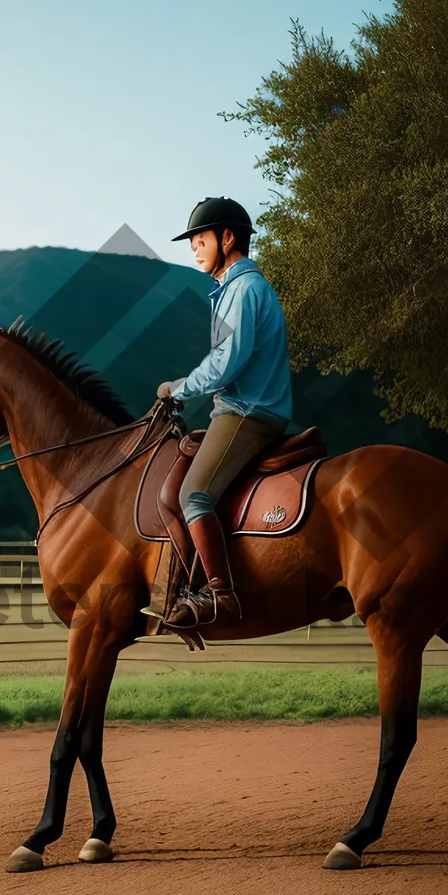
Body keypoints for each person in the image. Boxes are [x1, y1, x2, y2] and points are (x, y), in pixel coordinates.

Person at [154, 196, 293, 628]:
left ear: (227, 238)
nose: (193, 247)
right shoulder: (235, 289)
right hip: (235, 409)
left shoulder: (243, 289)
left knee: (193, 494)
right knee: (171, 486)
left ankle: (221, 596)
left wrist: (178, 390)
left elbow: (226, 361)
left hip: (246, 412)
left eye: (200, 238)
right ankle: (182, 588)